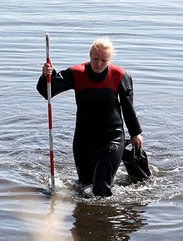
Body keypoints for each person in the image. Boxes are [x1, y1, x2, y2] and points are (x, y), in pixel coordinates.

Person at [37, 36, 144, 197]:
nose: (99, 64)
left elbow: (128, 107)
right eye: (95, 59)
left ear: (109, 59)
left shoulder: (120, 75)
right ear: (89, 55)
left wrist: (135, 133)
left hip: (112, 137)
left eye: (104, 60)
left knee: (100, 188)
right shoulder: (76, 73)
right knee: (84, 187)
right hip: (84, 139)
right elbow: (46, 92)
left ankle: (104, 219)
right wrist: (46, 76)